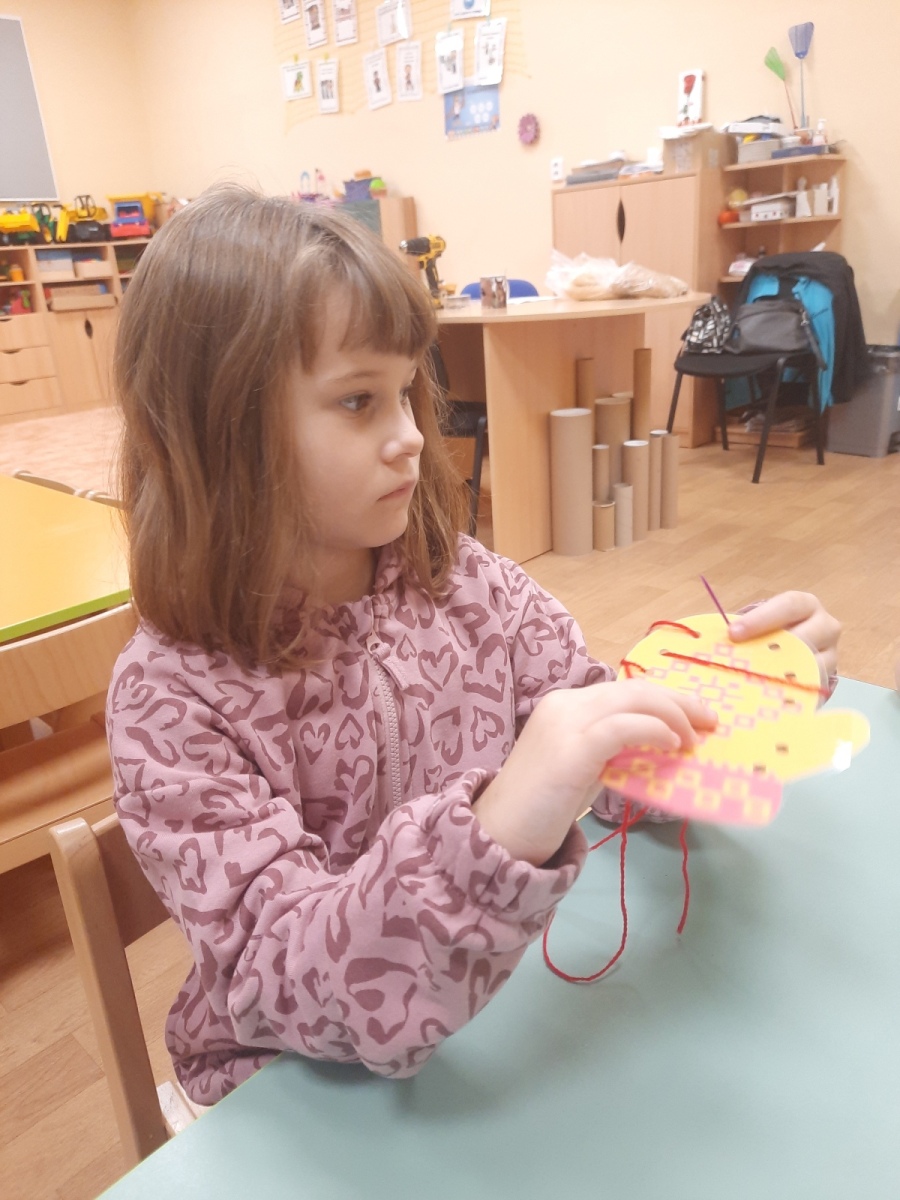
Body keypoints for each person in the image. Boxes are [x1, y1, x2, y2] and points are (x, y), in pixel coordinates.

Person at [107, 185, 841, 1106]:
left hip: (498, 1015)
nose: (412, 438)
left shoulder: (469, 585)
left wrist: (745, 691)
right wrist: (499, 827)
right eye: (359, 401)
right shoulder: (172, 702)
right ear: (220, 432)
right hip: (288, 1090)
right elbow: (280, 978)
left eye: (407, 392)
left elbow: (616, 768)